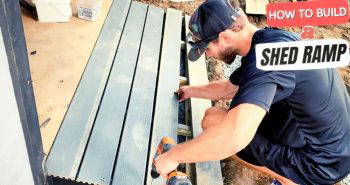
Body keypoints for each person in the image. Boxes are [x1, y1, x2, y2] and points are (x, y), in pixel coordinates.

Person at [154, 0, 350, 184]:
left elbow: (234, 137)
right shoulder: (271, 41)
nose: (207, 54)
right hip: (335, 146)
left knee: (214, 121)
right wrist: (190, 90)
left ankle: (289, 179)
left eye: (206, 48)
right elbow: (229, 88)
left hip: (321, 165)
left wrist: (173, 156)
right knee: (229, 114)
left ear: (223, 37)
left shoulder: (266, 63)